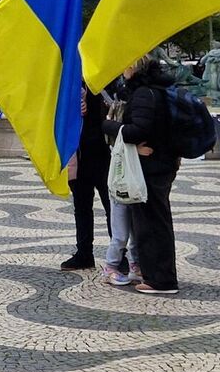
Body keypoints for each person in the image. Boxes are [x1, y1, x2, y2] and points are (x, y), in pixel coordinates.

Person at [108, 54, 181, 295]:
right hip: (164, 162)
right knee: (157, 221)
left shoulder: (143, 94)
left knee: (151, 224)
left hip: (150, 167)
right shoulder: (160, 89)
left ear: (133, 66)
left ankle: (160, 279)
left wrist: (108, 126)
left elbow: (137, 130)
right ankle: (157, 274)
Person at [60, 87, 113, 271]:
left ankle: (118, 255)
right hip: (78, 156)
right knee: (82, 208)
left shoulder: (101, 80)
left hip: (102, 154)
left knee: (112, 207)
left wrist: (94, 107)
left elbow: (114, 108)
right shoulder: (68, 80)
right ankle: (84, 253)